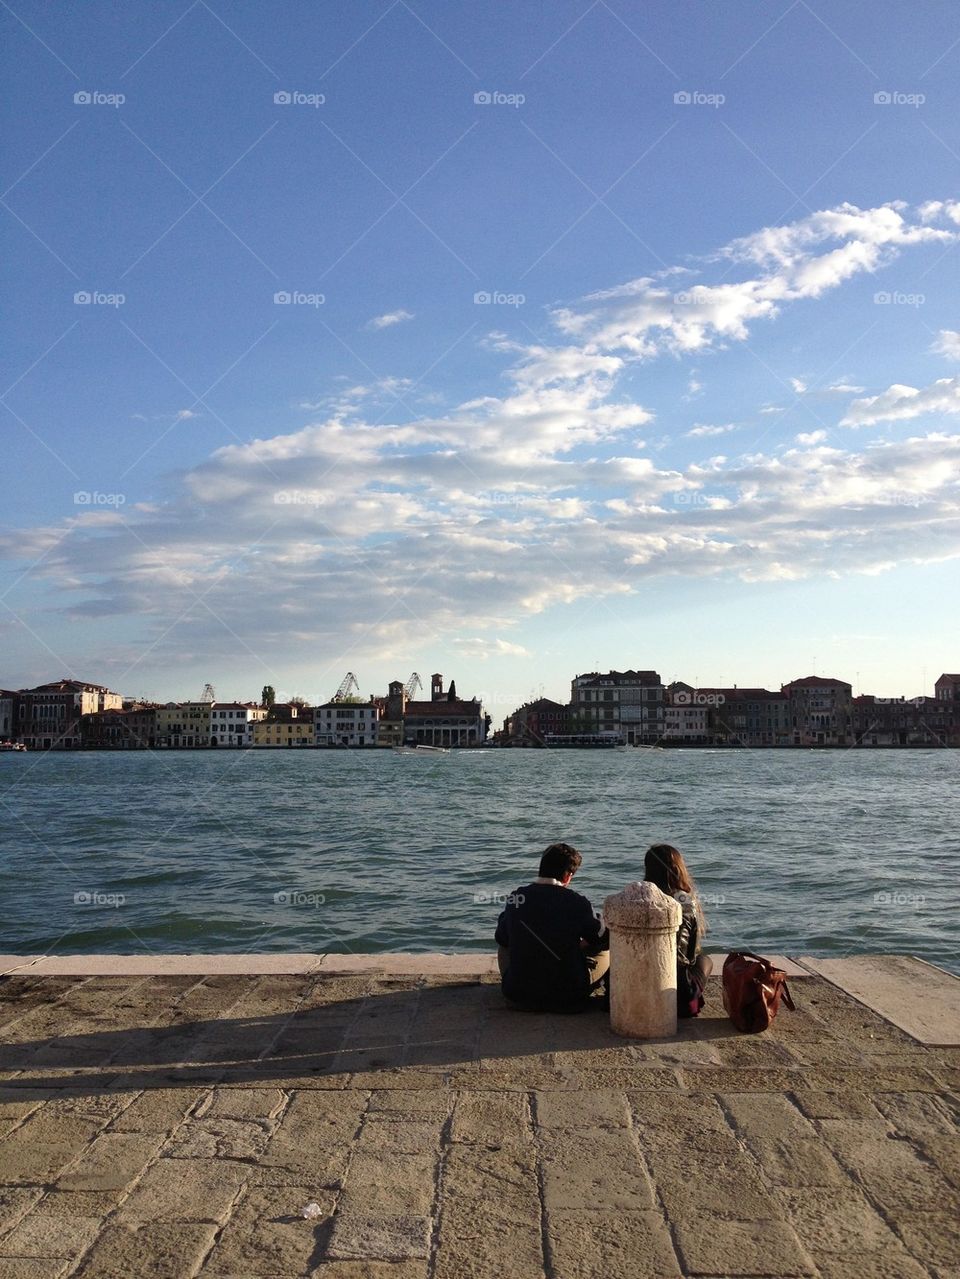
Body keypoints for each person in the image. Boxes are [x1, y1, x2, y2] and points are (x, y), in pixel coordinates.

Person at [495, 842, 609, 1012]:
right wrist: (582, 944)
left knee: (504, 947)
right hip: (567, 996)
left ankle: (519, 980)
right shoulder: (577, 902)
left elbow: (501, 937)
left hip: (518, 994)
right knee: (605, 952)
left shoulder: (517, 897)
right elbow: (603, 937)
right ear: (567, 876)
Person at [643, 843, 713, 1016]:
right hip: (679, 995)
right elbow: (690, 957)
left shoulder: (638, 898)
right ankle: (695, 999)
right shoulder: (684, 902)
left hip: (639, 987)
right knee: (705, 960)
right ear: (677, 869)